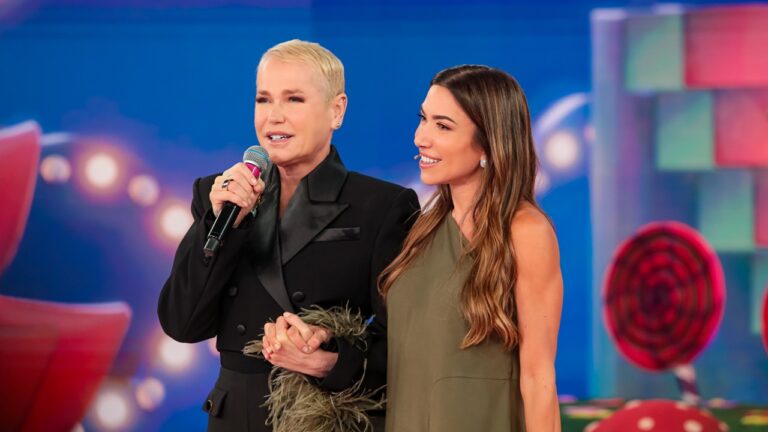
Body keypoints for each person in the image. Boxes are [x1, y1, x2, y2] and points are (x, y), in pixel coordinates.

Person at [158, 39, 419, 432]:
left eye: (294, 99)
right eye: (263, 100)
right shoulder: (219, 194)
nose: (274, 117)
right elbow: (183, 324)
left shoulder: (383, 205)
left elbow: (406, 344)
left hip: (328, 416)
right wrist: (221, 224)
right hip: (238, 414)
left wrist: (329, 360)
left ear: (337, 110)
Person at [380, 65, 563, 432]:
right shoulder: (423, 228)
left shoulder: (526, 230)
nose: (421, 137)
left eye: (442, 126)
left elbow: (538, 379)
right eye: (423, 119)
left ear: (487, 143)